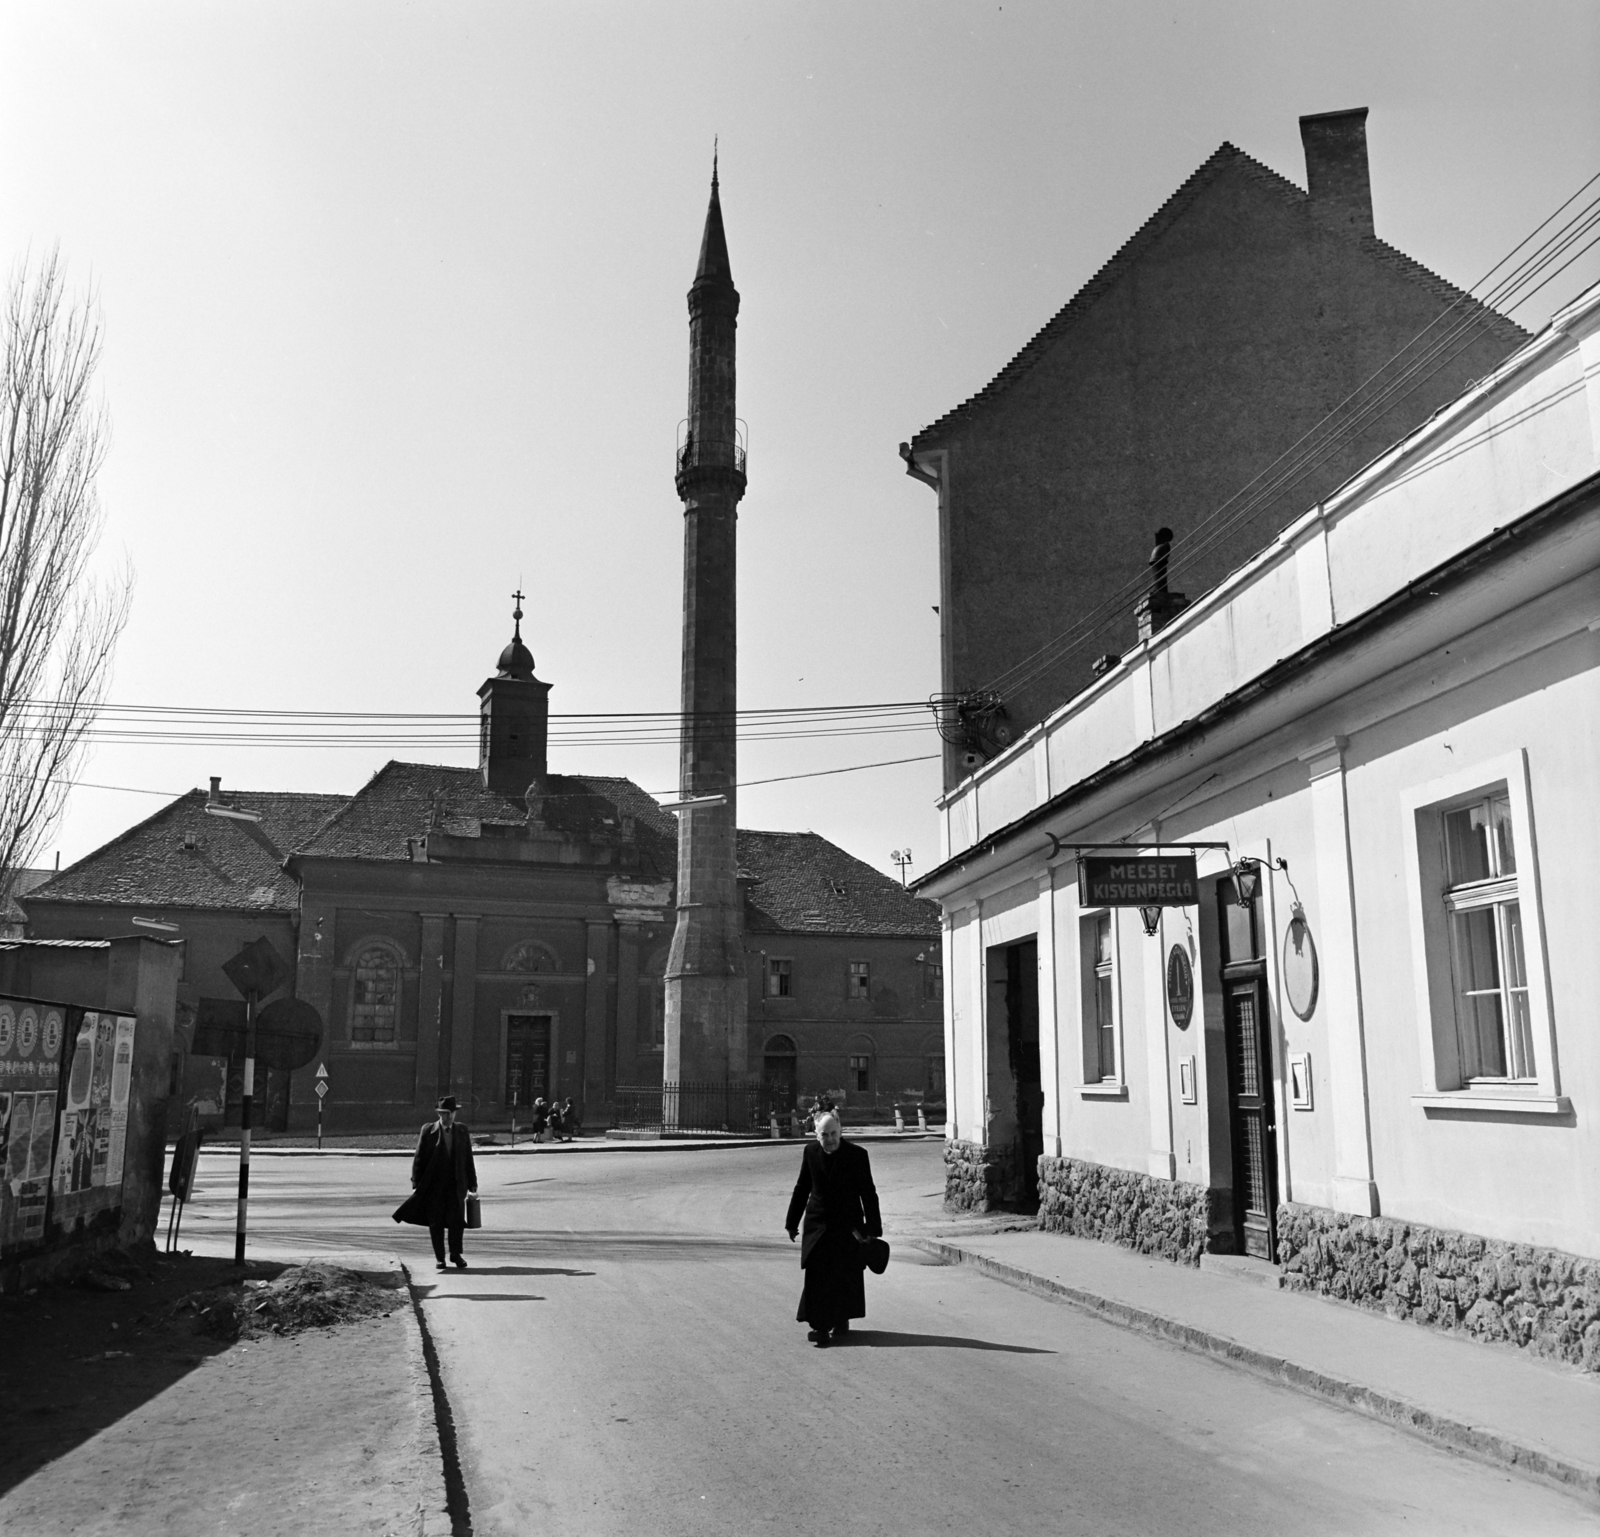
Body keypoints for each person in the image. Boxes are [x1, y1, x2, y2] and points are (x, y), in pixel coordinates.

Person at [784, 1111, 882, 1347]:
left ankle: (841, 1318)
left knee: (844, 1273)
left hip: (847, 1227)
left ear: (841, 1130)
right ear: (816, 1135)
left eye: (834, 1133)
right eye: (824, 1135)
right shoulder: (810, 1153)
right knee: (817, 1275)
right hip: (818, 1224)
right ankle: (819, 1326)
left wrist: (873, 1228)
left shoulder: (857, 1155)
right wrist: (791, 1222)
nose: (830, 1139)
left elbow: (868, 1193)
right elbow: (802, 1188)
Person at [392, 1095, 478, 1271]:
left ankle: (456, 1254)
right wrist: (416, 1181)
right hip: (434, 1185)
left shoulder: (462, 1130)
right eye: (442, 1113)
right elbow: (419, 1158)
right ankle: (440, 1257)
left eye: (449, 1113)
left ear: (454, 1113)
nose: (445, 1117)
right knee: (436, 1222)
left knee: (456, 1222)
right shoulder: (428, 1130)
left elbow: (468, 1158)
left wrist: (472, 1183)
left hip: (456, 1184)